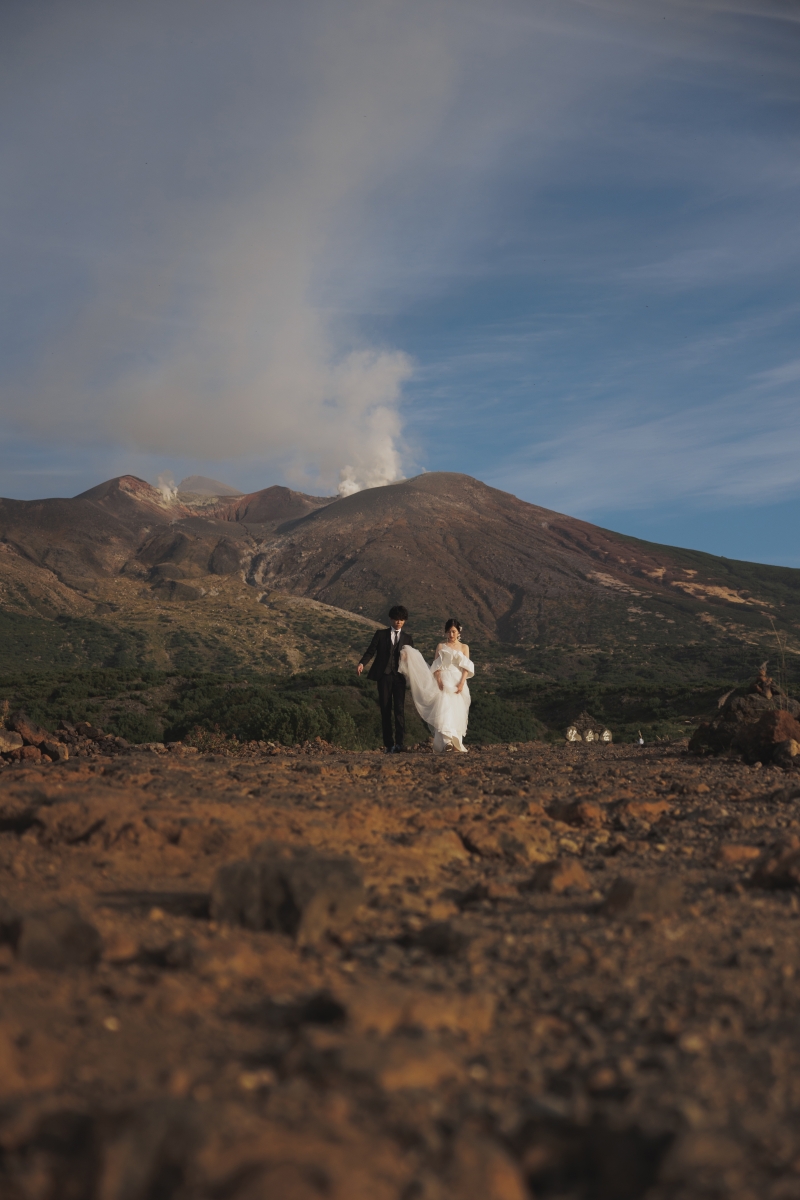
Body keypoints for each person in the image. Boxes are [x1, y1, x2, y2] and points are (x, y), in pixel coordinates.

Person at [399, 618, 474, 753]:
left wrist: (462, 683)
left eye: (453, 631)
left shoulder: (464, 647)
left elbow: (466, 668)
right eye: (449, 632)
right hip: (444, 680)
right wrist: (439, 680)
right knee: (444, 709)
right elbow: (436, 666)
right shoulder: (441, 646)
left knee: (457, 711)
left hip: (458, 680)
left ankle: (456, 743)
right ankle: (446, 742)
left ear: (458, 632)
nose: (451, 634)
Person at [357, 605, 414, 753]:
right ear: (390, 619)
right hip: (384, 677)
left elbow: (412, 659)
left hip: (399, 678)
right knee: (385, 709)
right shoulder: (380, 634)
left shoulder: (408, 638)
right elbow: (370, 651)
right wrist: (362, 663)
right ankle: (389, 744)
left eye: (402, 619)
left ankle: (400, 743)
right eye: (396, 619)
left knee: (400, 710)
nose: (399, 622)